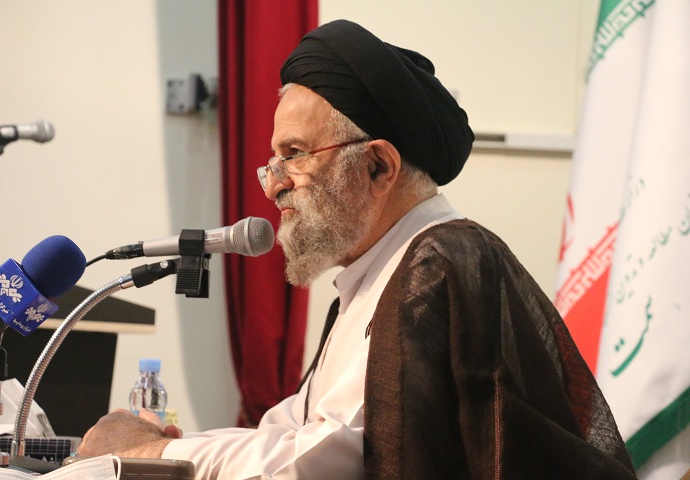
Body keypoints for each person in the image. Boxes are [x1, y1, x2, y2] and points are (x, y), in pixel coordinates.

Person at [78, 19, 638, 479]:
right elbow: (289, 432)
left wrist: (156, 453)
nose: (273, 185)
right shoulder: (373, 276)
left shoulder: (437, 265)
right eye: (273, 161)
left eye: (294, 154)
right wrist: (160, 448)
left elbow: (328, 461)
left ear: (378, 167)